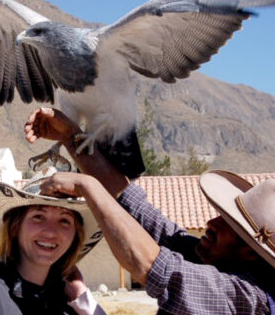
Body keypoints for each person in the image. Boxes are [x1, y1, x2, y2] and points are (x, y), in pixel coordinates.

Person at [24, 107, 275, 315]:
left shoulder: (249, 297)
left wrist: (87, 186)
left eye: (229, 225)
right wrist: (70, 136)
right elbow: (131, 202)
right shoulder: (212, 257)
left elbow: (151, 265)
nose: (211, 222)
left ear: (250, 253)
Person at [0, 167, 106, 315]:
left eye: (64, 220)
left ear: (75, 237)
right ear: (15, 227)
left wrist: (81, 297)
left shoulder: (69, 301)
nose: (51, 232)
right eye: (38, 217)